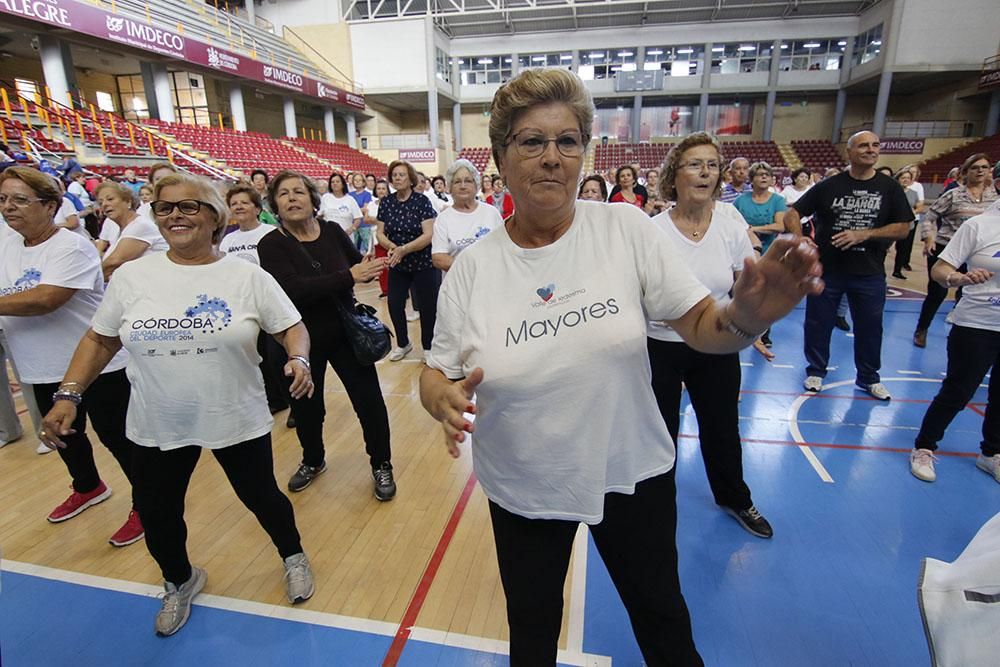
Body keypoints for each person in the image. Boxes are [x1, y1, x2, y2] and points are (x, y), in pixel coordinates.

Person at [419, 68, 822, 666]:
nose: (552, 157)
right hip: (528, 486)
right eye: (532, 141)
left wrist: (749, 315)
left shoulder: (625, 228)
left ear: (584, 153)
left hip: (631, 472)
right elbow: (435, 371)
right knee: (531, 634)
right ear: (502, 157)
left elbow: (704, 329)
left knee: (663, 618)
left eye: (568, 141)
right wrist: (440, 399)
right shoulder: (475, 267)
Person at [42, 172, 317, 637]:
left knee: (261, 497)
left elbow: (291, 326)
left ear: (215, 217)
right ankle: (179, 579)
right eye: (165, 207)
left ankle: (293, 555)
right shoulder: (133, 276)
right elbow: (99, 339)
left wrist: (299, 358)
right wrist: (69, 392)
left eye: (188, 206)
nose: (175, 215)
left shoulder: (246, 275)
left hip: (233, 415)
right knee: (156, 510)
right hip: (158, 420)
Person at [0, 167, 141, 546]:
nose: (8, 207)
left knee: (119, 437)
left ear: (50, 206)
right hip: (40, 365)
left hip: (98, 364)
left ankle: (147, 503)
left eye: (19, 199)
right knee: (64, 436)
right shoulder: (6, 245)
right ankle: (88, 486)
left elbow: (47, 298)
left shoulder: (71, 246)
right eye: (3, 199)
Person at [648, 133, 773, 538]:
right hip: (660, 347)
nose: (705, 172)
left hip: (717, 344)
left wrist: (749, 326)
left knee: (721, 425)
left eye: (712, 165)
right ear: (674, 175)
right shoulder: (652, 231)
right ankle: (655, 504)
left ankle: (735, 496)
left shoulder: (731, 227)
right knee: (658, 429)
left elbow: (745, 287)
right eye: (694, 164)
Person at [257, 170, 396, 499]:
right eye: (284, 194)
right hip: (299, 339)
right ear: (275, 205)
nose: (292, 198)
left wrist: (369, 268)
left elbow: (353, 268)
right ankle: (313, 459)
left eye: (299, 192)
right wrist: (349, 275)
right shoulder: (272, 244)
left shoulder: (332, 231)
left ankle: (382, 463)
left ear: (312, 199)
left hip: (346, 333)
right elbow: (292, 290)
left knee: (369, 403)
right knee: (307, 408)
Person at [785, 131, 913, 400]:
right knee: (818, 323)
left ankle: (869, 377)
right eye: (864, 145)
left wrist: (865, 234)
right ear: (850, 152)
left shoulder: (889, 188)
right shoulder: (830, 186)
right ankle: (816, 371)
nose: (871, 150)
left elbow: (903, 227)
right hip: (827, 269)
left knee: (870, 326)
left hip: (869, 272)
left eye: (876, 145)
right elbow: (793, 213)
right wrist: (800, 242)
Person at [909, 162, 1000, 485]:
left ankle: (991, 453)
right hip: (977, 323)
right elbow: (939, 270)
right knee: (959, 391)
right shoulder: (979, 226)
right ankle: (924, 446)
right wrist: (958, 278)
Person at [913, 154, 997, 348]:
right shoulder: (953, 195)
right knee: (937, 292)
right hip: (948, 247)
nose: (980, 171)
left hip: (978, 252)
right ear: (965, 172)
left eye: (984, 167)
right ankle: (922, 328)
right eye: (975, 167)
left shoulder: (994, 197)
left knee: (968, 291)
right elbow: (929, 217)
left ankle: (962, 329)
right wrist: (928, 238)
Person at [221, 183, 289, 420]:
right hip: (243, 307)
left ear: (257, 208)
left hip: (271, 304)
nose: (238, 206)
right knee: (258, 357)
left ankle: (295, 403)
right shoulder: (228, 240)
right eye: (234, 203)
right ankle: (276, 399)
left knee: (278, 355)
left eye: (244, 202)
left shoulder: (270, 233)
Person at [376, 160, 440, 361]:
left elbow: (428, 234)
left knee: (428, 306)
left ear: (411, 178)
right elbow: (380, 233)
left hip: (423, 262)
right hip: (398, 262)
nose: (397, 178)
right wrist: (393, 248)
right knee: (395, 304)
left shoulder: (422, 201)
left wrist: (404, 249)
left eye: (402, 174)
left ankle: (429, 347)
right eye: (394, 175)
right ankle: (403, 343)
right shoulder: (386, 202)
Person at [733, 162, 787, 349]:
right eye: (759, 174)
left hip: (770, 252)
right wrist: (747, 234)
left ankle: (764, 333)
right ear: (752, 179)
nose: (764, 177)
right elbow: (734, 225)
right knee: (744, 291)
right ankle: (741, 329)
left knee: (767, 295)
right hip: (745, 252)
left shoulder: (778, 200)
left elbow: (780, 226)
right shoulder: (741, 201)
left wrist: (752, 229)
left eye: (767, 174)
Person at [431, 159, 503, 272]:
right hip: (458, 284)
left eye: (468, 181)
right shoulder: (443, 219)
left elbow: (503, 247)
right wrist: (472, 269)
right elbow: (438, 258)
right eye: (457, 182)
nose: (463, 186)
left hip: (491, 280)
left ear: (477, 185)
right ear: (450, 188)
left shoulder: (491, 213)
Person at [96, 181, 167, 281]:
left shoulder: (141, 226)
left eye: (110, 199)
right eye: (100, 202)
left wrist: (86, 283)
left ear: (128, 202)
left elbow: (113, 263)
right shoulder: (118, 228)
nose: (105, 204)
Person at [891, 168, 922, 279]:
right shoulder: (893, 191)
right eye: (903, 178)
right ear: (898, 179)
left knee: (902, 249)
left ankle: (897, 270)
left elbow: (919, 207)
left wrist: (912, 212)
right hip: (892, 224)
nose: (905, 180)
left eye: (908, 178)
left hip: (908, 225)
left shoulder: (913, 193)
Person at [319, 172, 363, 246]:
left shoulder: (350, 199)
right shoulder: (325, 198)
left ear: (343, 184)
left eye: (337, 181)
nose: (335, 183)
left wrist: (351, 229)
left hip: (346, 237)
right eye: (332, 182)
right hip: (329, 237)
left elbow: (358, 218)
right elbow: (320, 215)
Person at [366, 179, 391, 297]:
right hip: (376, 238)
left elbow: (388, 222)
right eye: (379, 188)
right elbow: (366, 219)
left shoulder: (393, 203)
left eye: (383, 188)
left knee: (393, 263)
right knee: (381, 264)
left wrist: (375, 220)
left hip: (390, 238)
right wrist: (381, 221)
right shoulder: (371, 204)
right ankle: (385, 289)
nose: (381, 191)